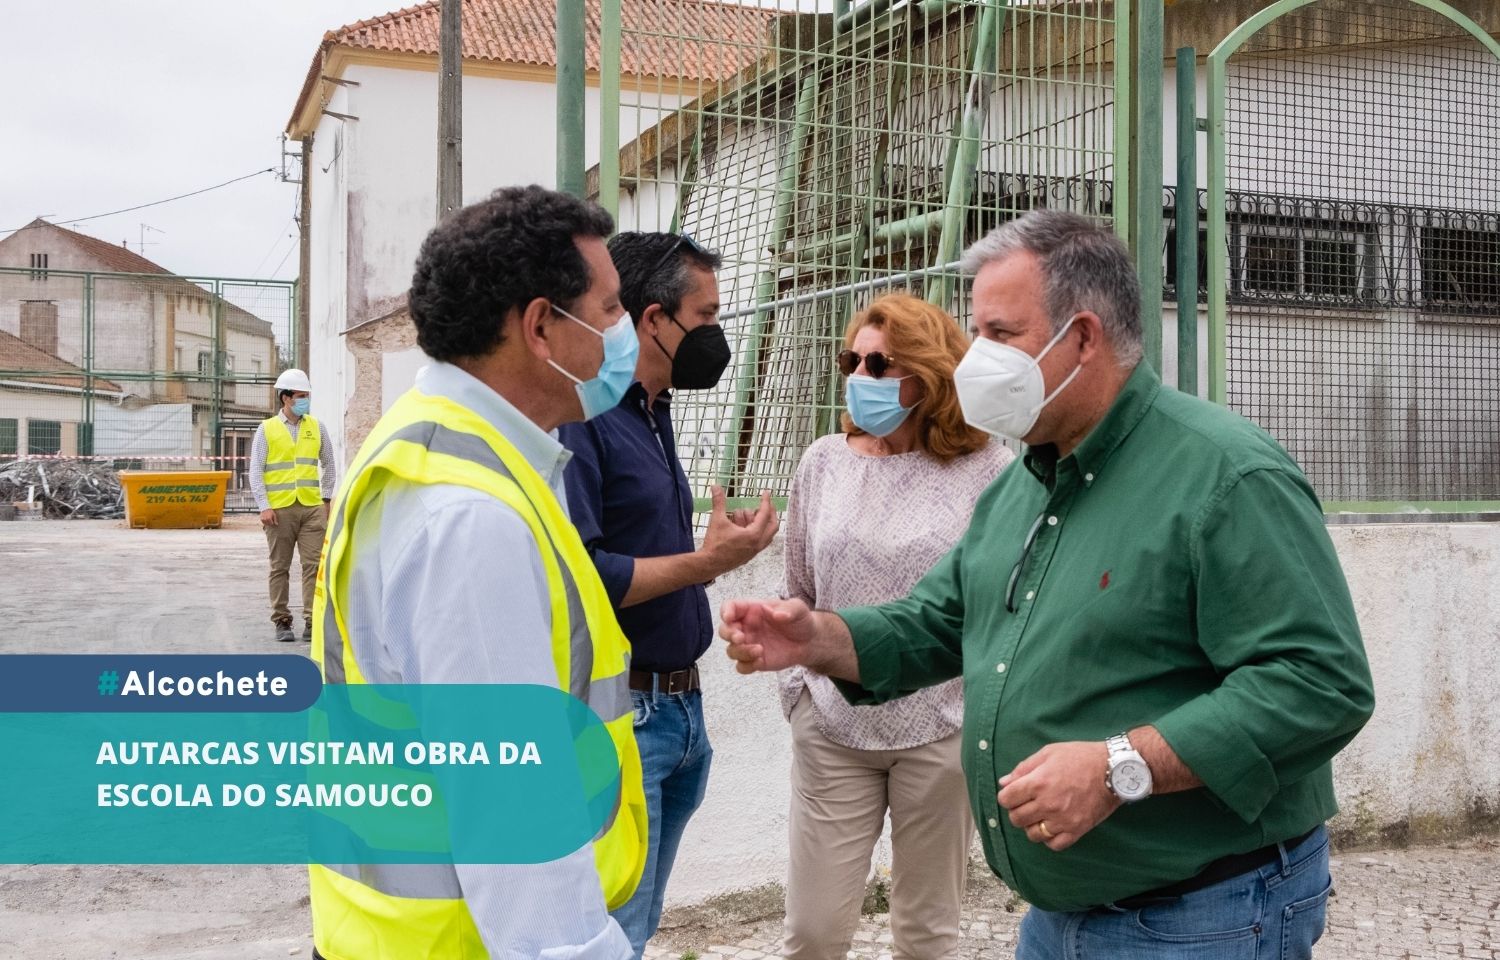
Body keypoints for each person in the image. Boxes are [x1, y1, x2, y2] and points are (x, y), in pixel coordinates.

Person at [720, 209, 1375, 959]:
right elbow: (940, 624)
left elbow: (1320, 683)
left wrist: (1119, 767)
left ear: (1084, 338)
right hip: (1062, 917)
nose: (974, 361)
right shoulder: (1027, 484)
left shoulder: (1224, 475)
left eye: (999, 335)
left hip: (1204, 913)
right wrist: (821, 637)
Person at [307, 185, 647, 959]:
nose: (620, 334)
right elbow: (512, 801)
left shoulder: (441, 444)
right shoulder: (468, 517)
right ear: (540, 327)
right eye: (608, 309)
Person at [559, 231, 778, 956]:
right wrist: (705, 560)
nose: (716, 334)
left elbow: (652, 556)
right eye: (707, 316)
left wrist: (715, 556)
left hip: (682, 712)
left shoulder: (655, 411)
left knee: (641, 925)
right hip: (628, 715)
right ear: (654, 319)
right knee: (613, 930)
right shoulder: (583, 418)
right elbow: (587, 577)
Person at [779, 293, 1011, 959]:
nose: (859, 376)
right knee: (814, 932)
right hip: (832, 727)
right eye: (850, 360)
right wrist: (799, 696)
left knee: (926, 932)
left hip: (941, 731)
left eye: (878, 365)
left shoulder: (989, 473)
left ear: (929, 374)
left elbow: (997, 600)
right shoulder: (824, 461)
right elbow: (796, 583)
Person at [249, 367, 335, 642]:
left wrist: (327, 499)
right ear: (285, 398)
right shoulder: (267, 429)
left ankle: (312, 618)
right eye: (300, 396)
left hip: (312, 508)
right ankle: (282, 620)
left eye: (306, 396)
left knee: (313, 565)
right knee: (280, 566)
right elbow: (255, 470)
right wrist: (264, 505)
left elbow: (329, 465)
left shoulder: (316, 427)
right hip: (279, 510)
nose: (304, 401)